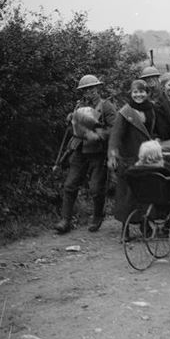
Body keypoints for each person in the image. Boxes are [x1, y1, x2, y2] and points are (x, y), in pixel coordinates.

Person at [54, 74, 117, 234]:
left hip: (98, 152)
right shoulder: (78, 106)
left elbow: (115, 129)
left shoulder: (107, 106)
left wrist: (97, 132)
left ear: (98, 88)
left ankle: (97, 216)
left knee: (96, 188)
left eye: (92, 88)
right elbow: (74, 129)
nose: (89, 92)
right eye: (86, 90)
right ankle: (65, 220)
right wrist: (71, 120)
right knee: (70, 185)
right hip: (79, 150)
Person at [107, 80, 156, 225]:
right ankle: (125, 228)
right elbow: (115, 136)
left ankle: (145, 224)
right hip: (129, 158)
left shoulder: (151, 109)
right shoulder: (125, 112)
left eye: (142, 92)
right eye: (135, 92)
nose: (138, 95)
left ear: (147, 93)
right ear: (131, 93)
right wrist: (113, 155)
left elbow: (156, 130)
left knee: (146, 191)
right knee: (127, 194)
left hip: (147, 157)